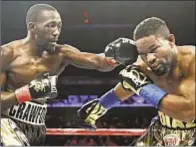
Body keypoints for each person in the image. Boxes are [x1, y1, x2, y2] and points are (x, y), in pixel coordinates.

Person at [0, 4, 136, 146]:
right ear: (32, 27)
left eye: (59, 26)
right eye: (51, 26)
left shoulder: (61, 53)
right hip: (5, 124)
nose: (56, 32)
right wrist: (27, 92)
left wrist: (115, 56)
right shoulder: (7, 54)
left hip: (36, 127)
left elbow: (97, 62)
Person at [77, 17, 196, 146]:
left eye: (154, 49)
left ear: (171, 41)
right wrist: (96, 109)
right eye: (143, 54)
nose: (149, 58)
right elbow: (123, 90)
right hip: (162, 129)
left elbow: (188, 112)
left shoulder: (192, 61)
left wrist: (142, 86)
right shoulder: (145, 65)